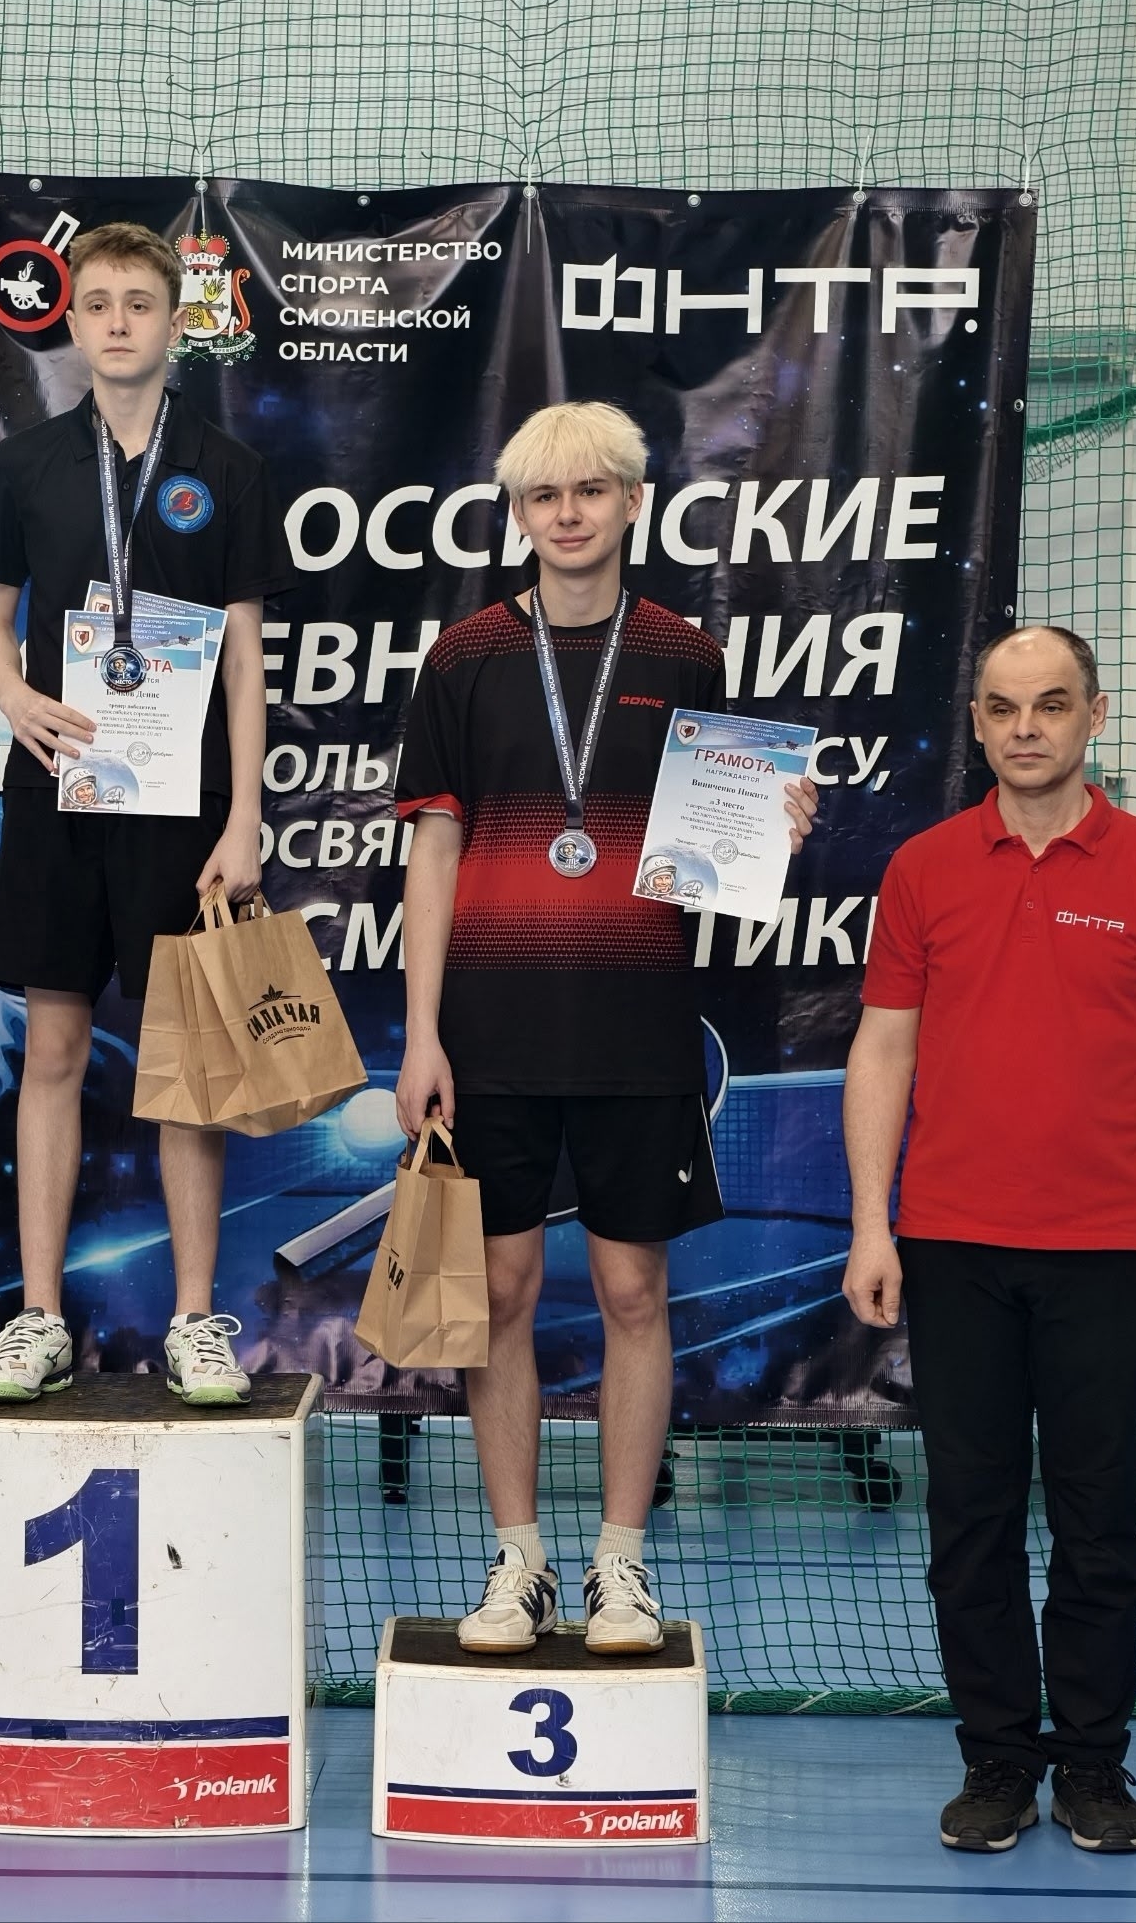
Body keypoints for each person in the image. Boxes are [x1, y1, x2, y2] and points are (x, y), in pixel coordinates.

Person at [392, 402, 816, 1654]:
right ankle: (516, 1558)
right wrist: (420, 1032)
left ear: (633, 501)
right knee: (502, 1289)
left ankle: (620, 1563)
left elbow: (707, 855)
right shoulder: (464, 657)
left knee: (634, 1287)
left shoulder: (686, 655)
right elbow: (433, 848)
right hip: (490, 1027)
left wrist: (769, 829)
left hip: (636, 1022)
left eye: (590, 490)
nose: (567, 513)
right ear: (518, 514)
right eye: (544, 495)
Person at [840, 624, 1136, 1854]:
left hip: (1110, 1250)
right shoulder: (921, 868)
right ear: (976, 722)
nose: (1026, 727)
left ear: (1093, 716)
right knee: (967, 1517)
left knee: (1096, 1518)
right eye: (1004, 706)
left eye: (1051, 704)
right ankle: (998, 1760)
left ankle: (1093, 1764)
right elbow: (882, 1048)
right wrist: (871, 1221)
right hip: (952, 1244)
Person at [0, 223, 291, 1405]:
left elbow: (246, 657)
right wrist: (13, 696)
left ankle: (196, 1319)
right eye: (96, 302)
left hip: (183, 801)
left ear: (174, 322)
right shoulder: (28, 461)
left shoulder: (228, 468)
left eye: (139, 303)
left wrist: (243, 812)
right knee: (52, 1051)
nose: (116, 321)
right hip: (61, 786)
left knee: (188, 1068)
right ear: (71, 322)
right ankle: (39, 1316)